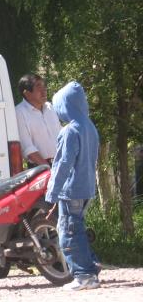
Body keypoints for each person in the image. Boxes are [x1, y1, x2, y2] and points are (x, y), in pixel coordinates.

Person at [45, 80, 101, 290]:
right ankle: (91, 266)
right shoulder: (89, 127)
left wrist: (52, 192)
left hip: (71, 191)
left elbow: (63, 164)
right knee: (77, 229)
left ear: (65, 106)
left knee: (68, 233)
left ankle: (84, 275)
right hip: (87, 188)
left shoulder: (70, 131)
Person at [15, 73, 61, 167]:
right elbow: (28, 148)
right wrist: (49, 170)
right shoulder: (19, 112)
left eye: (44, 87)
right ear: (27, 93)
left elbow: (61, 134)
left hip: (61, 163)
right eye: (38, 87)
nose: (44, 91)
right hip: (40, 168)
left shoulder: (50, 107)